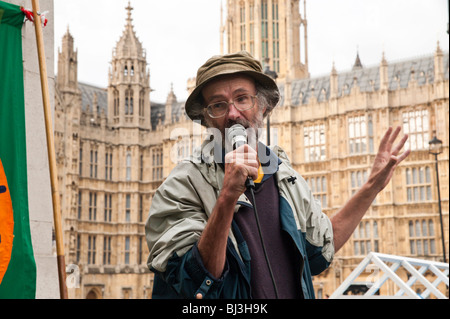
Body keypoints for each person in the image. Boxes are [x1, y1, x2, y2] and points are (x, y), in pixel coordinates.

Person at [145, 51, 410, 299]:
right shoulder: (182, 184)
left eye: (242, 98)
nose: (233, 113)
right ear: (207, 119)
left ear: (263, 107)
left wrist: (372, 187)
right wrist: (227, 196)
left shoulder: (284, 175)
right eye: (218, 105)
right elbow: (195, 281)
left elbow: (321, 248)